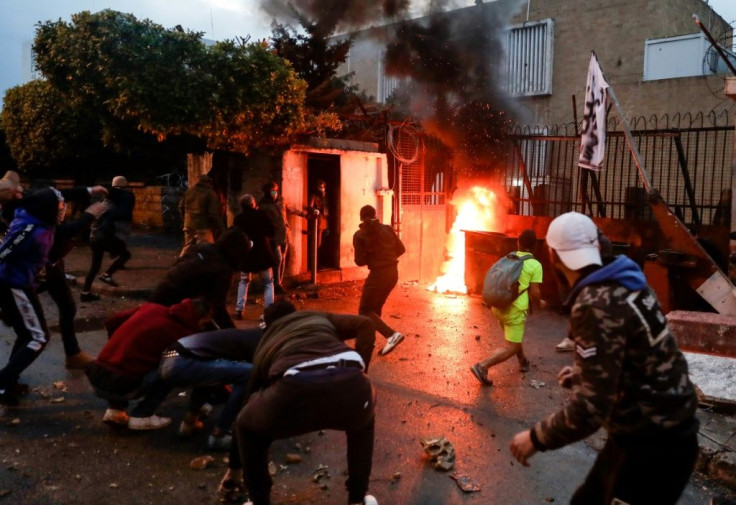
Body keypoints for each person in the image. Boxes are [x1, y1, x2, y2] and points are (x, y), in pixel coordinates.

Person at [509, 211, 699, 505]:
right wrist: (588, 372)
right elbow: (640, 352)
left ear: (553, 256)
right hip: (656, 432)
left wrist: (535, 438)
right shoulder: (629, 280)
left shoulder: (595, 303)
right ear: (598, 246)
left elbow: (590, 410)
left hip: (651, 447)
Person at [220, 300, 377, 505]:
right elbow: (366, 324)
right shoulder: (317, 316)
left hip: (295, 388)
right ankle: (357, 499)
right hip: (352, 382)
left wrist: (234, 468)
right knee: (363, 422)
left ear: (267, 325)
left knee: (247, 426)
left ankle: (258, 499)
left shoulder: (267, 341)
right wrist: (361, 370)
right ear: (295, 312)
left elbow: (247, 402)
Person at [0, 181, 108, 408]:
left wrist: (89, 190)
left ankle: (8, 384)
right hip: (15, 284)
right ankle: (4, 381)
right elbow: (5, 253)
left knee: (26, 333)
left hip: (25, 280)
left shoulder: (35, 210)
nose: (21, 191)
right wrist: (89, 214)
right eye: (15, 189)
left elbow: (59, 196)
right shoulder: (31, 228)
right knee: (38, 337)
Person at [85, 298, 213, 430]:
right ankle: (142, 415)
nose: (202, 328)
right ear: (195, 318)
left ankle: (115, 409)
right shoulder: (183, 334)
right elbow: (175, 358)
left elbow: (112, 321)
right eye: (203, 324)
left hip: (97, 374)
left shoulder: (150, 308)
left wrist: (119, 347)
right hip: (123, 384)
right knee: (173, 368)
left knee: (125, 361)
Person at [159, 327, 262, 449]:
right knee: (250, 374)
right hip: (181, 363)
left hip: (170, 358)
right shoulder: (259, 342)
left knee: (211, 375)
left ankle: (190, 421)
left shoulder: (246, 335)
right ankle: (220, 435)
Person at [470, 229, 543, 386]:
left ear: (518, 242)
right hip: (514, 311)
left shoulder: (509, 257)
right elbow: (535, 292)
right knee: (512, 345)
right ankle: (482, 366)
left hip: (498, 306)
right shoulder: (535, 265)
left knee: (514, 338)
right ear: (535, 246)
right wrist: (540, 302)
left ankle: (523, 362)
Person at [149, 226, 252, 329]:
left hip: (159, 296)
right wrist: (232, 333)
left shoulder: (203, 248)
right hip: (173, 307)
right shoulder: (221, 270)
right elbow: (217, 308)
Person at [352, 204, 406, 356]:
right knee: (374, 310)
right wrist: (387, 256)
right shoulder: (388, 229)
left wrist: (372, 257)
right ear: (375, 215)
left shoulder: (359, 235)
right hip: (393, 274)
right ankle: (370, 342)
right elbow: (401, 249)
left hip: (378, 275)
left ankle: (391, 335)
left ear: (361, 217)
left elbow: (359, 261)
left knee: (365, 311)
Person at [80, 176, 135, 300]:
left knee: (94, 267)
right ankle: (107, 274)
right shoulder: (112, 208)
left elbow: (87, 221)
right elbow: (106, 226)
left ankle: (85, 293)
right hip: (103, 238)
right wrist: (113, 240)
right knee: (125, 255)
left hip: (93, 237)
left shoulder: (98, 205)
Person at [232, 194, 276, 319]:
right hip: (263, 253)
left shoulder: (239, 219)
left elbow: (235, 235)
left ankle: (239, 310)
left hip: (246, 254)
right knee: (268, 282)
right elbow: (272, 231)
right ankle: (269, 312)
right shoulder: (261, 215)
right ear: (253, 204)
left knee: (244, 281)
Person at [259, 181, 298, 294]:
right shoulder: (263, 205)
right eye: (272, 190)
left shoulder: (282, 200)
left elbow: (291, 209)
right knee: (278, 258)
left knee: (283, 258)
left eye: (276, 190)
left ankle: (279, 283)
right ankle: (276, 283)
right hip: (273, 236)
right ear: (267, 192)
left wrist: (305, 214)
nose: (274, 192)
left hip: (285, 234)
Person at [179, 174, 225, 257]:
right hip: (203, 227)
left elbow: (180, 207)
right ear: (208, 183)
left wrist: (185, 219)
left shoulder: (189, 191)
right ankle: (204, 267)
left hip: (188, 225)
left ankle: (179, 264)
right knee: (207, 249)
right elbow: (213, 214)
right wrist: (222, 227)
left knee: (187, 247)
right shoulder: (210, 194)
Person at [307, 179, 330, 270]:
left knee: (323, 245)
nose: (321, 188)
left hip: (325, 222)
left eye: (323, 187)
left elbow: (327, 211)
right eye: (320, 187)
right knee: (317, 244)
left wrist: (328, 225)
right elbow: (310, 206)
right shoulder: (314, 196)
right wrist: (314, 210)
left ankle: (321, 264)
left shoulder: (326, 197)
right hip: (318, 222)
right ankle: (315, 265)